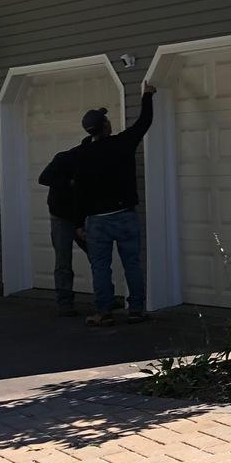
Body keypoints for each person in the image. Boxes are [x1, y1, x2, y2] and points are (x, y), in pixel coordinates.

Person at [72, 83, 156, 326]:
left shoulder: (83, 155)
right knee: (132, 264)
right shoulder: (123, 143)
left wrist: (78, 223)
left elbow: (80, 192)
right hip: (125, 215)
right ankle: (136, 310)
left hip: (97, 220)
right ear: (106, 126)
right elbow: (144, 122)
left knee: (100, 267)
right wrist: (147, 95)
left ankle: (104, 312)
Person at [38, 136, 91, 316]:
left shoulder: (92, 164)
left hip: (82, 217)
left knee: (97, 255)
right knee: (63, 260)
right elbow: (43, 178)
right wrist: (69, 183)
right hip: (61, 216)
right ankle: (64, 302)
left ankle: (104, 296)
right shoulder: (64, 158)